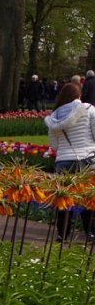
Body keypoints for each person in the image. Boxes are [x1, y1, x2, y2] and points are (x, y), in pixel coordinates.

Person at [45, 82, 95, 239]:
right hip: (86, 157)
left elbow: (53, 143)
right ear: (79, 95)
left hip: (63, 160)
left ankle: (62, 233)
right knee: (88, 196)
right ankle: (90, 231)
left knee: (64, 196)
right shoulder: (88, 109)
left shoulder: (55, 116)